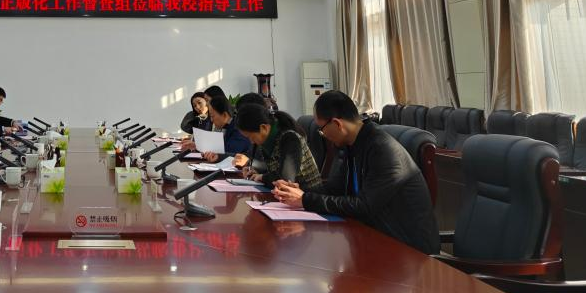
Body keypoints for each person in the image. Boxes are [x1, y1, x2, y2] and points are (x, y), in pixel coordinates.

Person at [273, 90, 440, 254]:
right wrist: (299, 190)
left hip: (408, 251)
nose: (322, 135)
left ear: (337, 124)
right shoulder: (353, 144)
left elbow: (364, 206)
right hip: (373, 239)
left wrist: (305, 200)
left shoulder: (382, 149)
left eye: (321, 129)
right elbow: (335, 188)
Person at [235, 103, 321, 189]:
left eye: (251, 137)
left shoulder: (290, 138)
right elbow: (271, 169)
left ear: (264, 127)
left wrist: (262, 177)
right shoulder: (266, 140)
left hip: (306, 193)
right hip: (284, 193)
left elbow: (285, 179)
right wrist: (255, 171)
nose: (251, 141)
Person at [181, 94, 250, 159]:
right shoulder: (227, 125)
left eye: (212, 116)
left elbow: (227, 151)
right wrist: (197, 145)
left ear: (225, 115)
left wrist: (199, 146)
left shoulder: (238, 128)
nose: (211, 120)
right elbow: (218, 147)